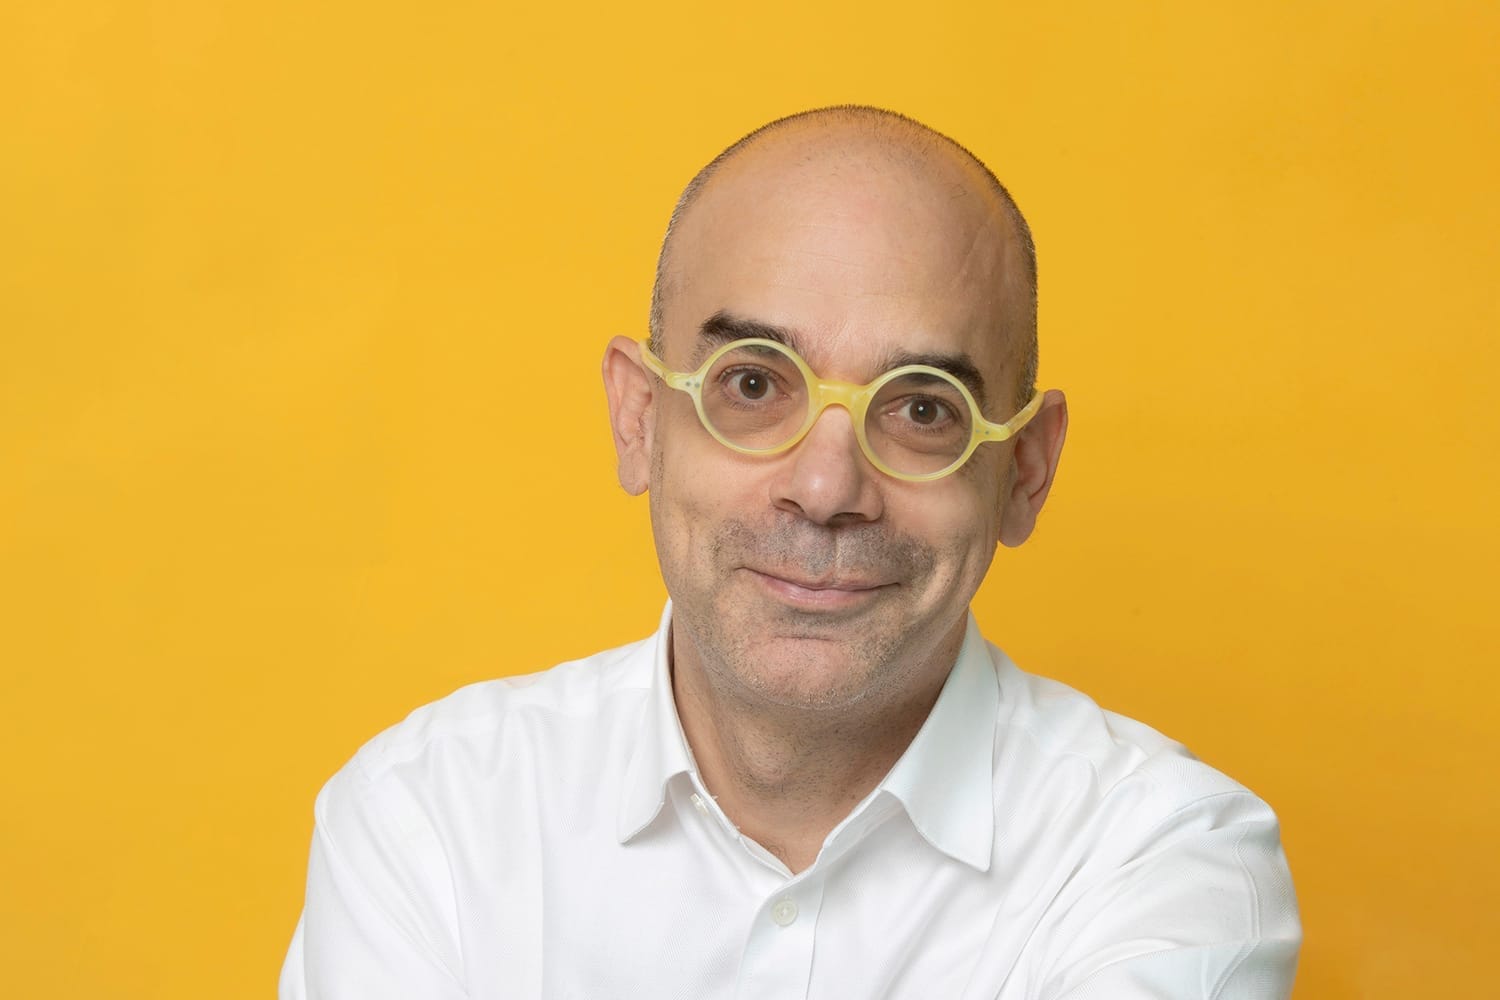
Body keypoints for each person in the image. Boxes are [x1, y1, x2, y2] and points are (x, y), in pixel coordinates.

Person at [280, 106, 1300, 999]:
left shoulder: (1164, 858)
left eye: (921, 409)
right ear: (639, 420)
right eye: (754, 384)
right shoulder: (431, 819)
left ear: (1025, 470)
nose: (825, 489)